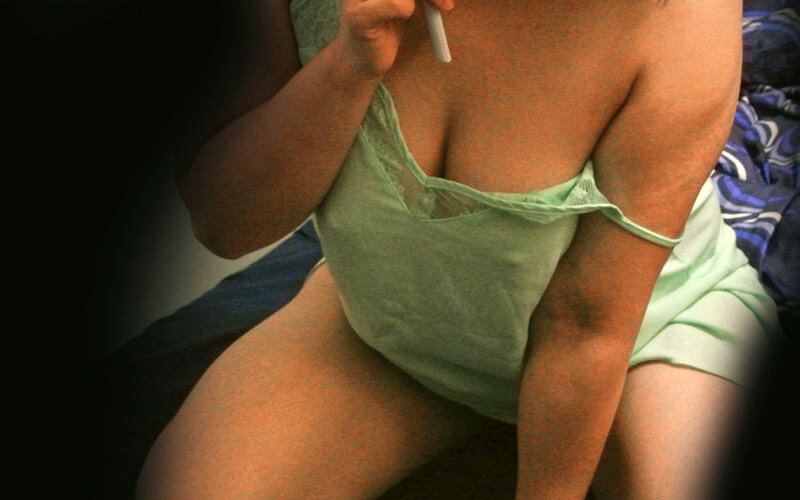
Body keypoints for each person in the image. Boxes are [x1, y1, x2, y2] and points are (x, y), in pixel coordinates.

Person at [136, 1, 781, 499]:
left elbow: (587, 328)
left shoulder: (682, 22)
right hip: (396, 317)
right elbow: (225, 226)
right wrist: (349, 63)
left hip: (645, 337)